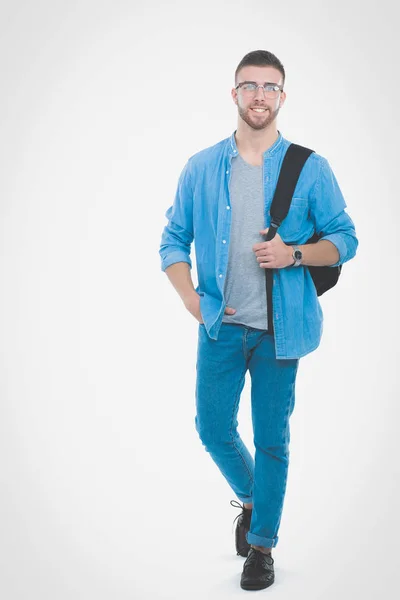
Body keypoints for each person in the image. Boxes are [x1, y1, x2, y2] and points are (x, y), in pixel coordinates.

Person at [159, 49, 358, 591]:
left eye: (270, 87)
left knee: (273, 439)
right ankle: (253, 499)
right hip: (219, 328)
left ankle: (263, 545)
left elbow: (345, 240)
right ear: (234, 95)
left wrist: (294, 253)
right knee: (212, 428)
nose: (259, 95)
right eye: (249, 85)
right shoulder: (201, 167)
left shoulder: (309, 167)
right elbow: (173, 239)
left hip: (280, 331)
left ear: (282, 97)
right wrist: (190, 301)